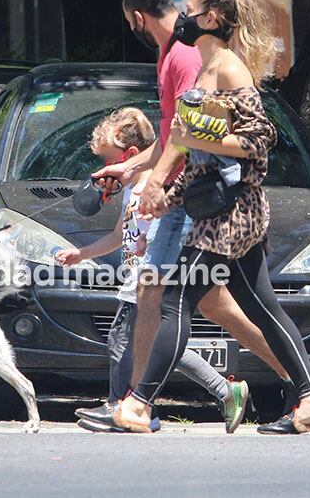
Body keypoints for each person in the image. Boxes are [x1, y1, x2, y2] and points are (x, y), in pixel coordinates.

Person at [90, 0, 310, 434]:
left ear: (212, 19)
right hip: (216, 206)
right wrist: (166, 194)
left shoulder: (228, 67)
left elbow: (262, 138)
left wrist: (196, 135)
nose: (182, 16)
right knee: (260, 306)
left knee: (174, 298)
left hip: (233, 215)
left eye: (191, 8)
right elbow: (204, 160)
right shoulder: (203, 69)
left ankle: (139, 405)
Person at [55, 108, 249, 434]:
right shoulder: (130, 191)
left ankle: (124, 405)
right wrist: (81, 253)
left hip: (147, 281)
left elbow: (165, 231)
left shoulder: (155, 188)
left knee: (121, 339)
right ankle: (223, 390)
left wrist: (149, 243)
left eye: (108, 160)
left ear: (130, 155)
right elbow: (119, 236)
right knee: (158, 345)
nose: (106, 171)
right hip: (136, 278)